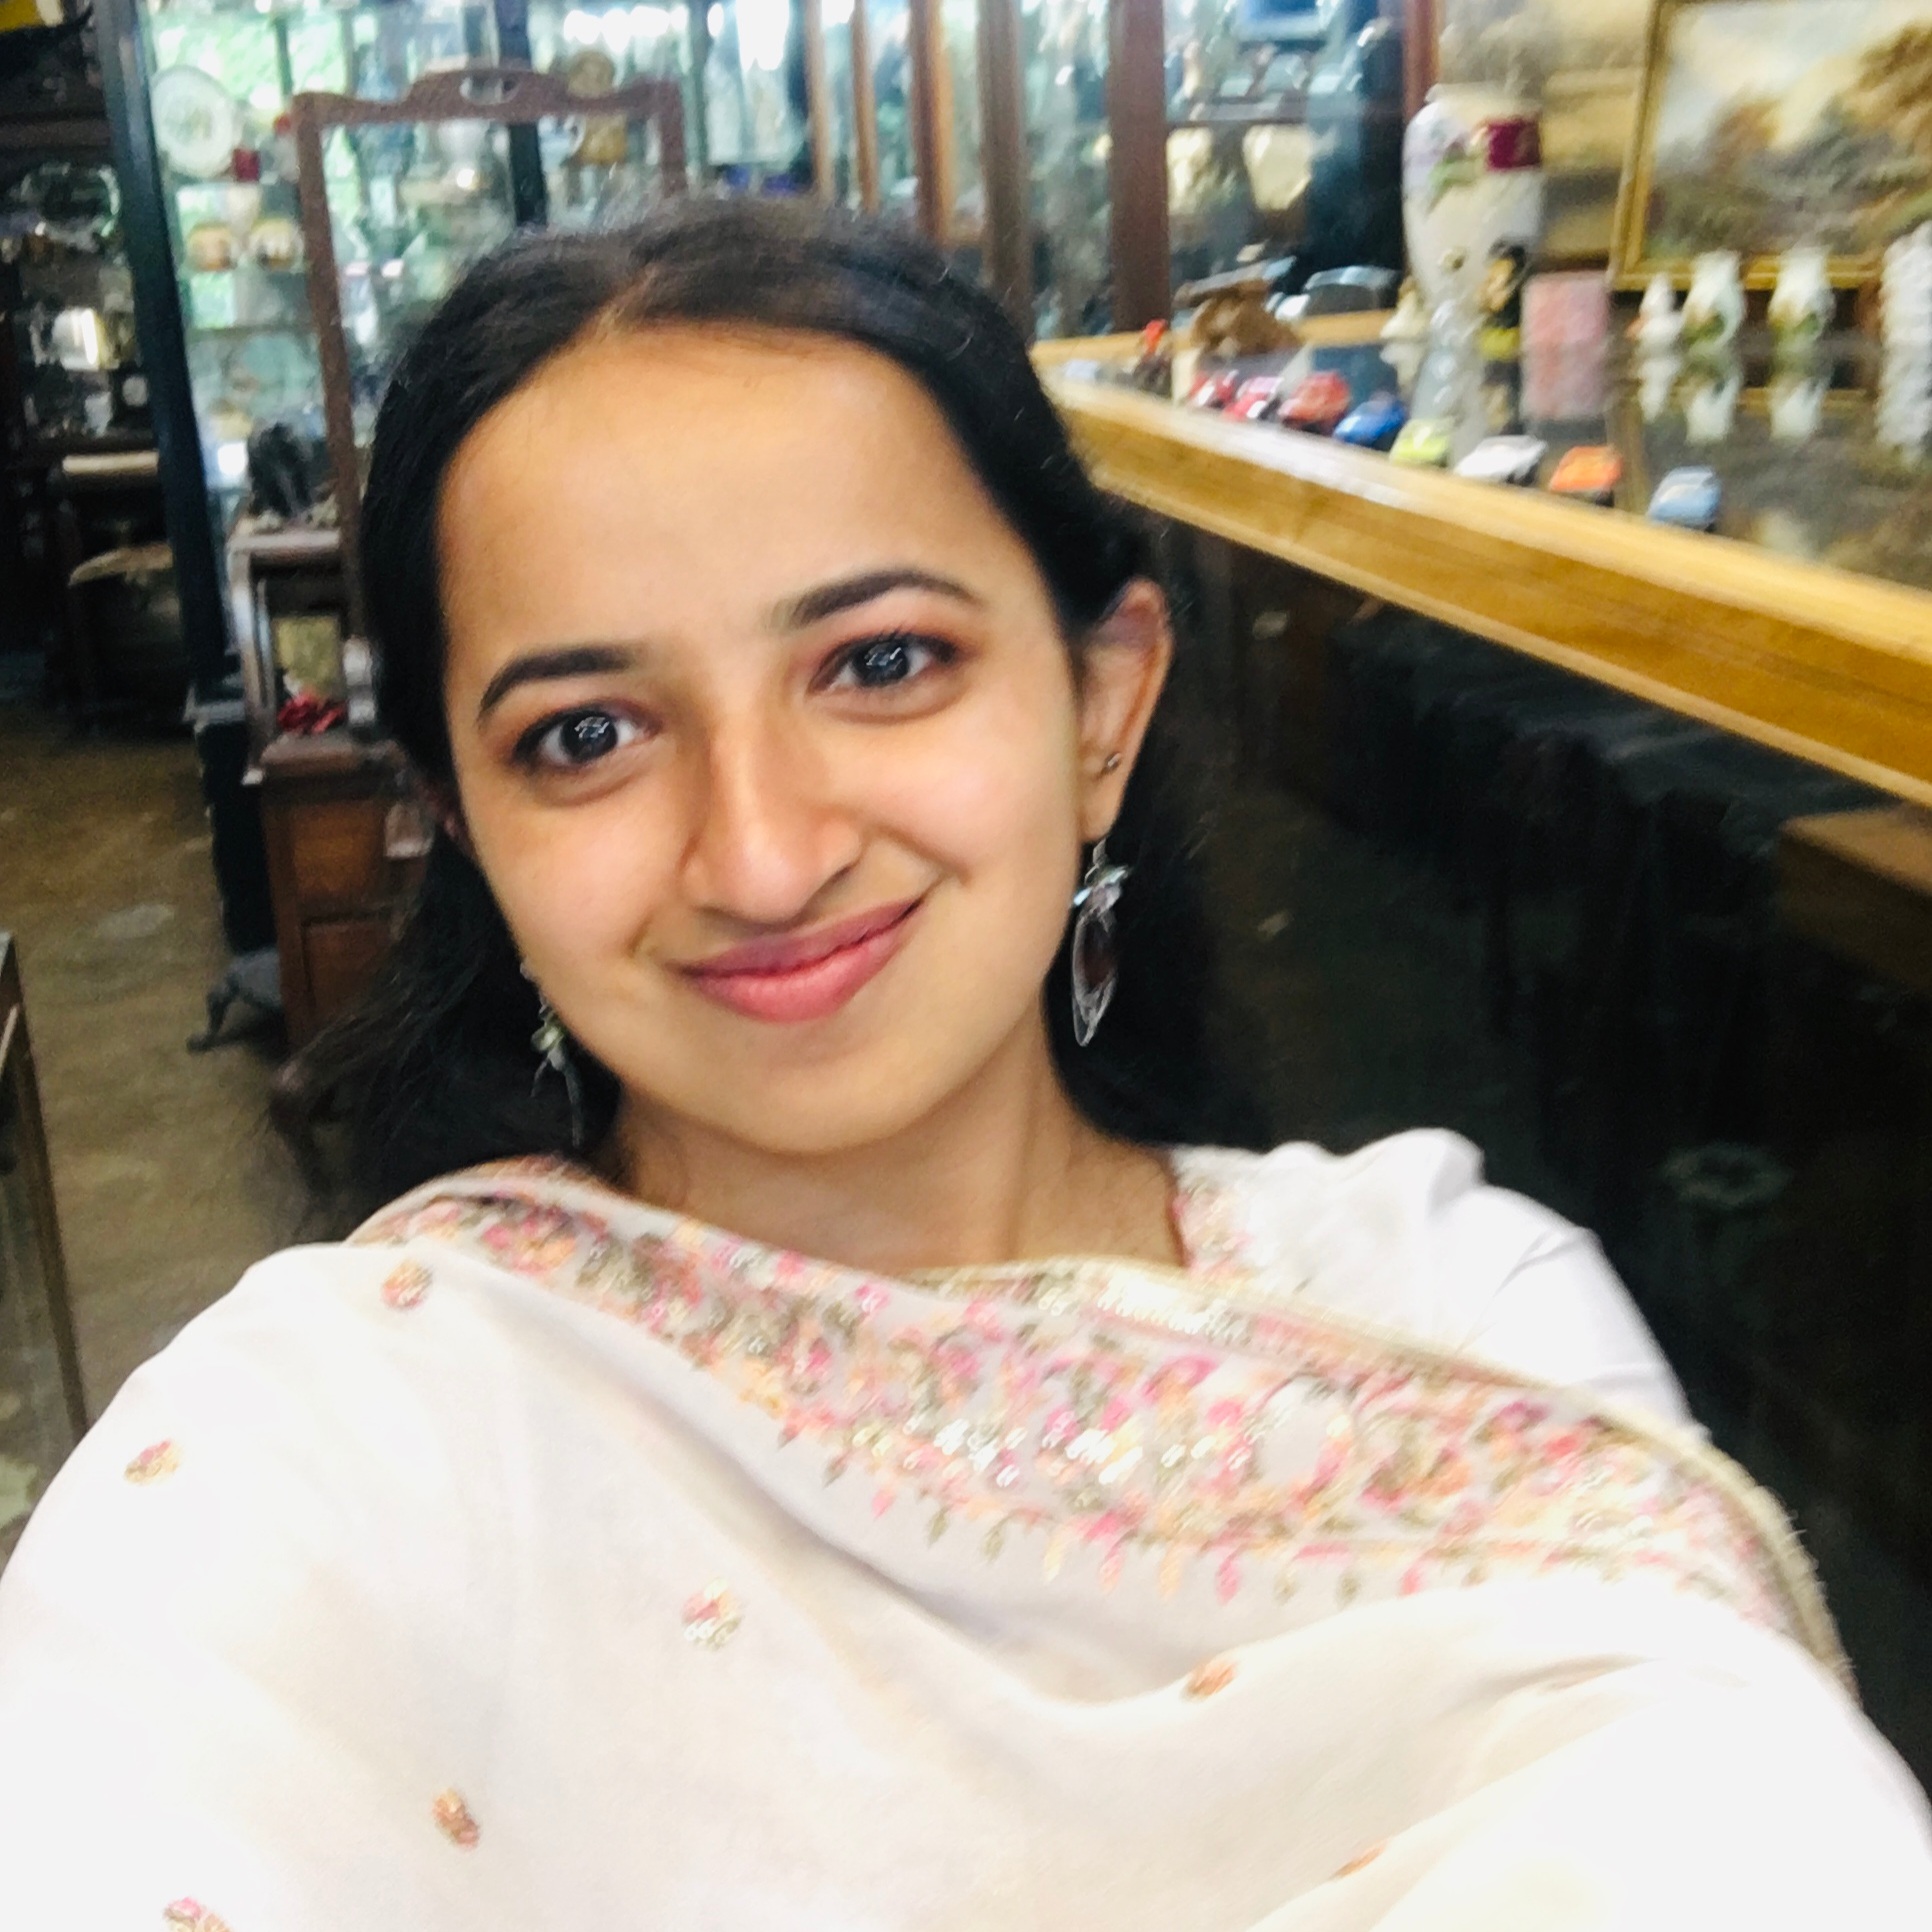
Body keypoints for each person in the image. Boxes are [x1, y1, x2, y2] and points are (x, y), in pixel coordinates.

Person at [0, 200, 1926, 1929]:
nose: (763, 854)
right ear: (465, 824)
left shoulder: (1447, 1310)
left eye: (881, 663)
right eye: (588, 735)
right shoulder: (338, 1435)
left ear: (1102, 705)